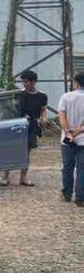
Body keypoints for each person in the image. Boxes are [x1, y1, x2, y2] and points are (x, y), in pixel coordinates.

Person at [0, 70, 47, 187]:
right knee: (10, 151)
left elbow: (43, 110)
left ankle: (23, 177)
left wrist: (43, 119)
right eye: (23, 82)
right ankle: (6, 176)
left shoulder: (42, 96)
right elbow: (10, 109)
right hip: (16, 125)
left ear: (33, 82)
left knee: (26, 152)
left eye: (26, 82)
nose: (24, 84)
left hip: (31, 126)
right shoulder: (18, 94)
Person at [58, 71, 84, 206]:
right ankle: (80, 197)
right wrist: (78, 131)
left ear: (76, 83)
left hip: (67, 140)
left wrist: (68, 132)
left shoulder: (66, 97)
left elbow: (62, 115)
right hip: (83, 140)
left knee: (67, 167)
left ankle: (67, 193)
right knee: (82, 168)